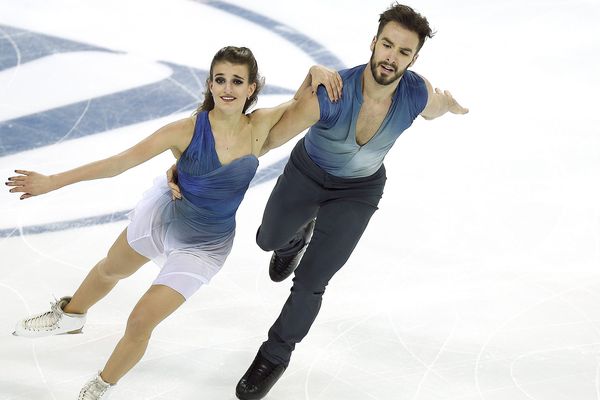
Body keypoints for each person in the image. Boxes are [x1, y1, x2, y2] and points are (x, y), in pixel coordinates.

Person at [5, 46, 342, 400]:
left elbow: (300, 103)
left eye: (237, 81)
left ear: (251, 88)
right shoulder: (184, 130)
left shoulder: (260, 126)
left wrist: (315, 70)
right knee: (110, 269)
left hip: (204, 247)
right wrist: (52, 181)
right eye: (220, 79)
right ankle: (70, 316)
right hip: (165, 218)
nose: (227, 88)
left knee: (139, 322)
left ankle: (101, 385)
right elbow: (119, 162)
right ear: (210, 84)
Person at [229, 4, 469, 399]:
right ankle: (293, 238)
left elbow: (437, 106)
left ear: (414, 58)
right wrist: (207, 161)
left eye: (404, 52)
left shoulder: (415, 93)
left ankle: (275, 354)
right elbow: (268, 139)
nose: (392, 58)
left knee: (311, 283)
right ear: (373, 43)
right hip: (306, 175)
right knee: (266, 240)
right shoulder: (332, 91)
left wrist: (453, 105)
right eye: (387, 45)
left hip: (358, 191)